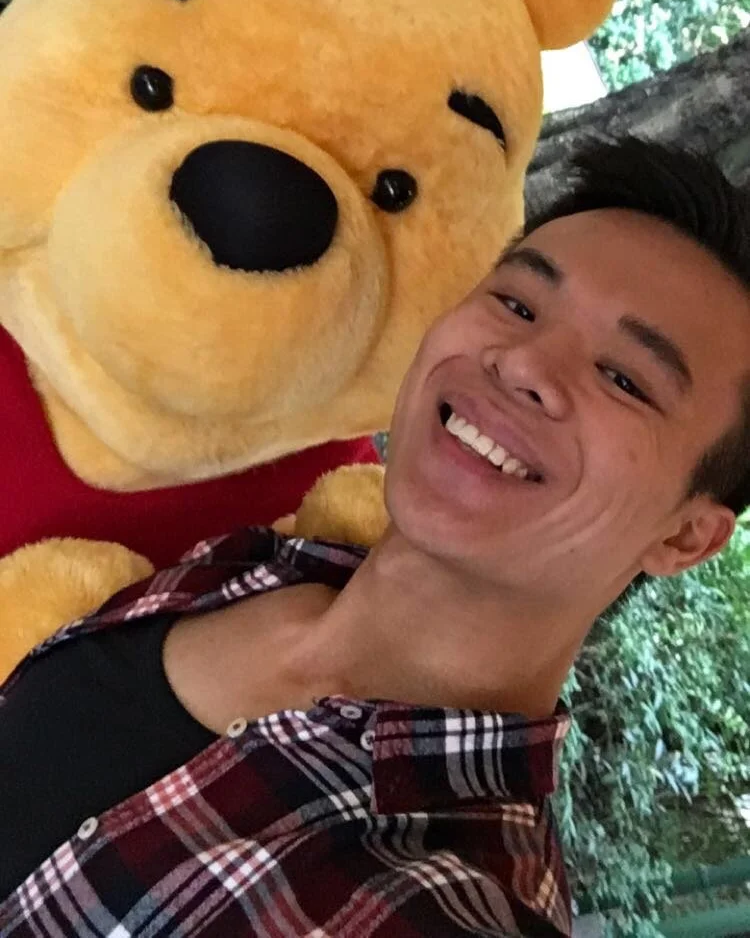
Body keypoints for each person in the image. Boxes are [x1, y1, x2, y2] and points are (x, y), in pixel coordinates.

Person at [1, 137, 749, 938]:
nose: (523, 363)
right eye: (518, 304)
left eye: (625, 379)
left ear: (685, 537)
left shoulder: (447, 898)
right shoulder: (260, 556)